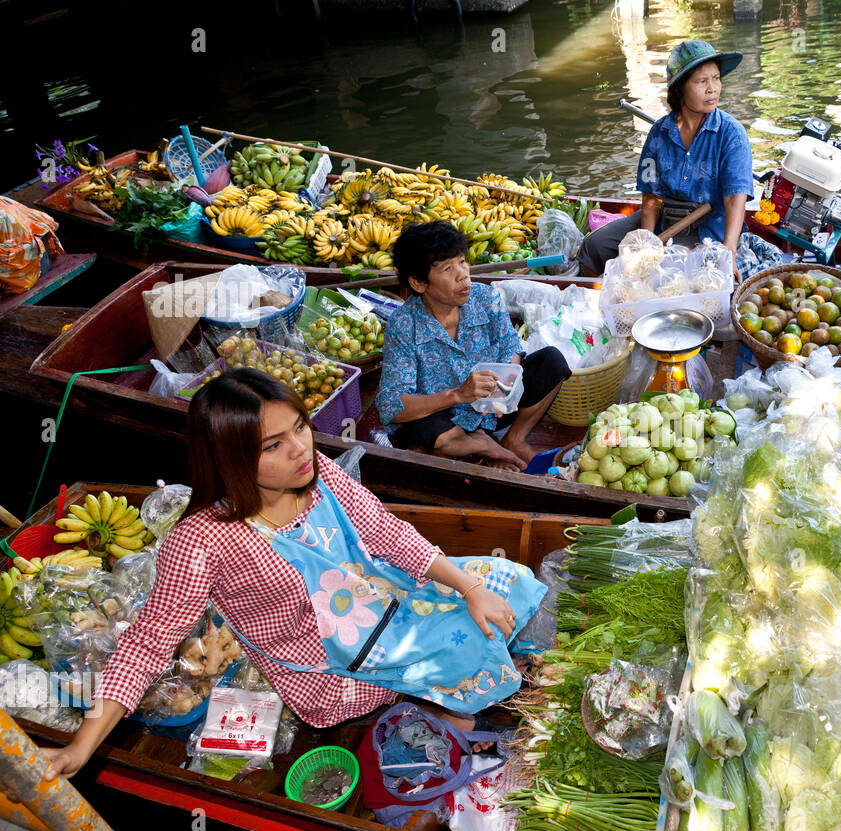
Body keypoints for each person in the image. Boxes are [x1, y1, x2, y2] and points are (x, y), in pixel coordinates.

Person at [42, 368, 545, 781]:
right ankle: (449, 704)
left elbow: (387, 534)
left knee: (504, 578)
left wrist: (469, 586)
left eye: (300, 428)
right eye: (272, 446)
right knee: (462, 643)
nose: (301, 449)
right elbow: (148, 644)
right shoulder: (203, 540)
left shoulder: (318, 474)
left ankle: (456, 676)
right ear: (229, 457)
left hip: (379, 592)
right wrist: (79, 748)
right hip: (328, 658)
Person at [377, 221, 571, 471]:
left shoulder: (486, 297)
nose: (463, 275)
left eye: (462, 262)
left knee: (552, 361)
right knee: (427, 432)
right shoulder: (404, 325)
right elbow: (392, 405)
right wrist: (458, 394)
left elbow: (510, 344)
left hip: (493, 409)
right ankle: (486, 447)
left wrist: (504, 386)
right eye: (447, 269)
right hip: (445, 416)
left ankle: (514, 439)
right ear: (418, 283)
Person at [578, 39, 753, 277]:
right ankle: (594, 299)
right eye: (702, 81)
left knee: (675, 271)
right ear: (680, 89)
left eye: (716, 78)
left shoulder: (731, 134)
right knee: (594, 246)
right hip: (664, 219)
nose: (712, 88)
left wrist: (729, 253)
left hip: (708, 227)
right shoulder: (659, 132)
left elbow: (735, 199)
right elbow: (651, 197)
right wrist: (647, 242)